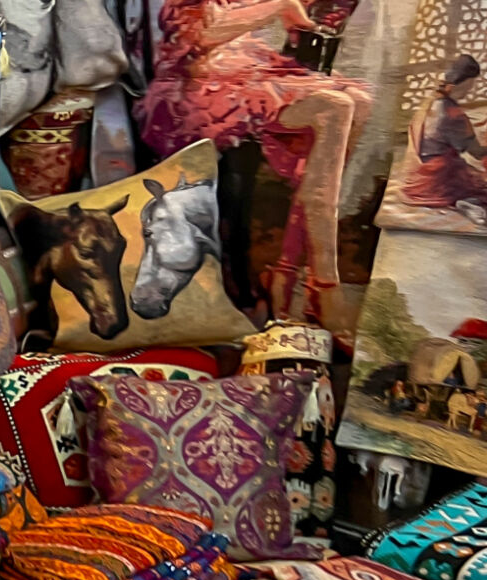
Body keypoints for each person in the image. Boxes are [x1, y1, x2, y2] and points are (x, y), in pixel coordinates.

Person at [135, 0, 372, 336]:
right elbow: (198, 36)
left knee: (357, 103)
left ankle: (288, 271)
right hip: (192, 84)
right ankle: (323, 284)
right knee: (334, 107)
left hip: (241, 67)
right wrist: (280, 6)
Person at [403, 55, 487, 211]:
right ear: (463, 83)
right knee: (479, 186)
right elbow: (476, 152)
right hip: (435, 178)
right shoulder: (452, 113)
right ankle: (465, 203)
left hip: (418, 173)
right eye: (470, 84)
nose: (470, 89)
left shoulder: (431, 102)